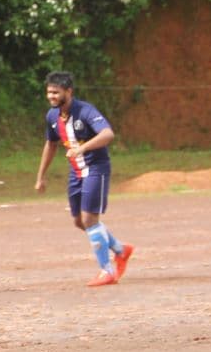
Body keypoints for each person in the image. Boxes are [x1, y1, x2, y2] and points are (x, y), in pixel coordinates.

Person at [34, 71, 135, 287]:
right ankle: (120, 249)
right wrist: (40, 176)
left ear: (68, 92)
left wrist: (83, 148)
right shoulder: (52, 116)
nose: (51, 96)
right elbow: (50, 145)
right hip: (76, 173)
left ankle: (107, 271)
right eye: (49, 92)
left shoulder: (85, 111)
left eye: (56, 92)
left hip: (96, 169)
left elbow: (107, 134)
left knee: (90, 219)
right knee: (80, 222)